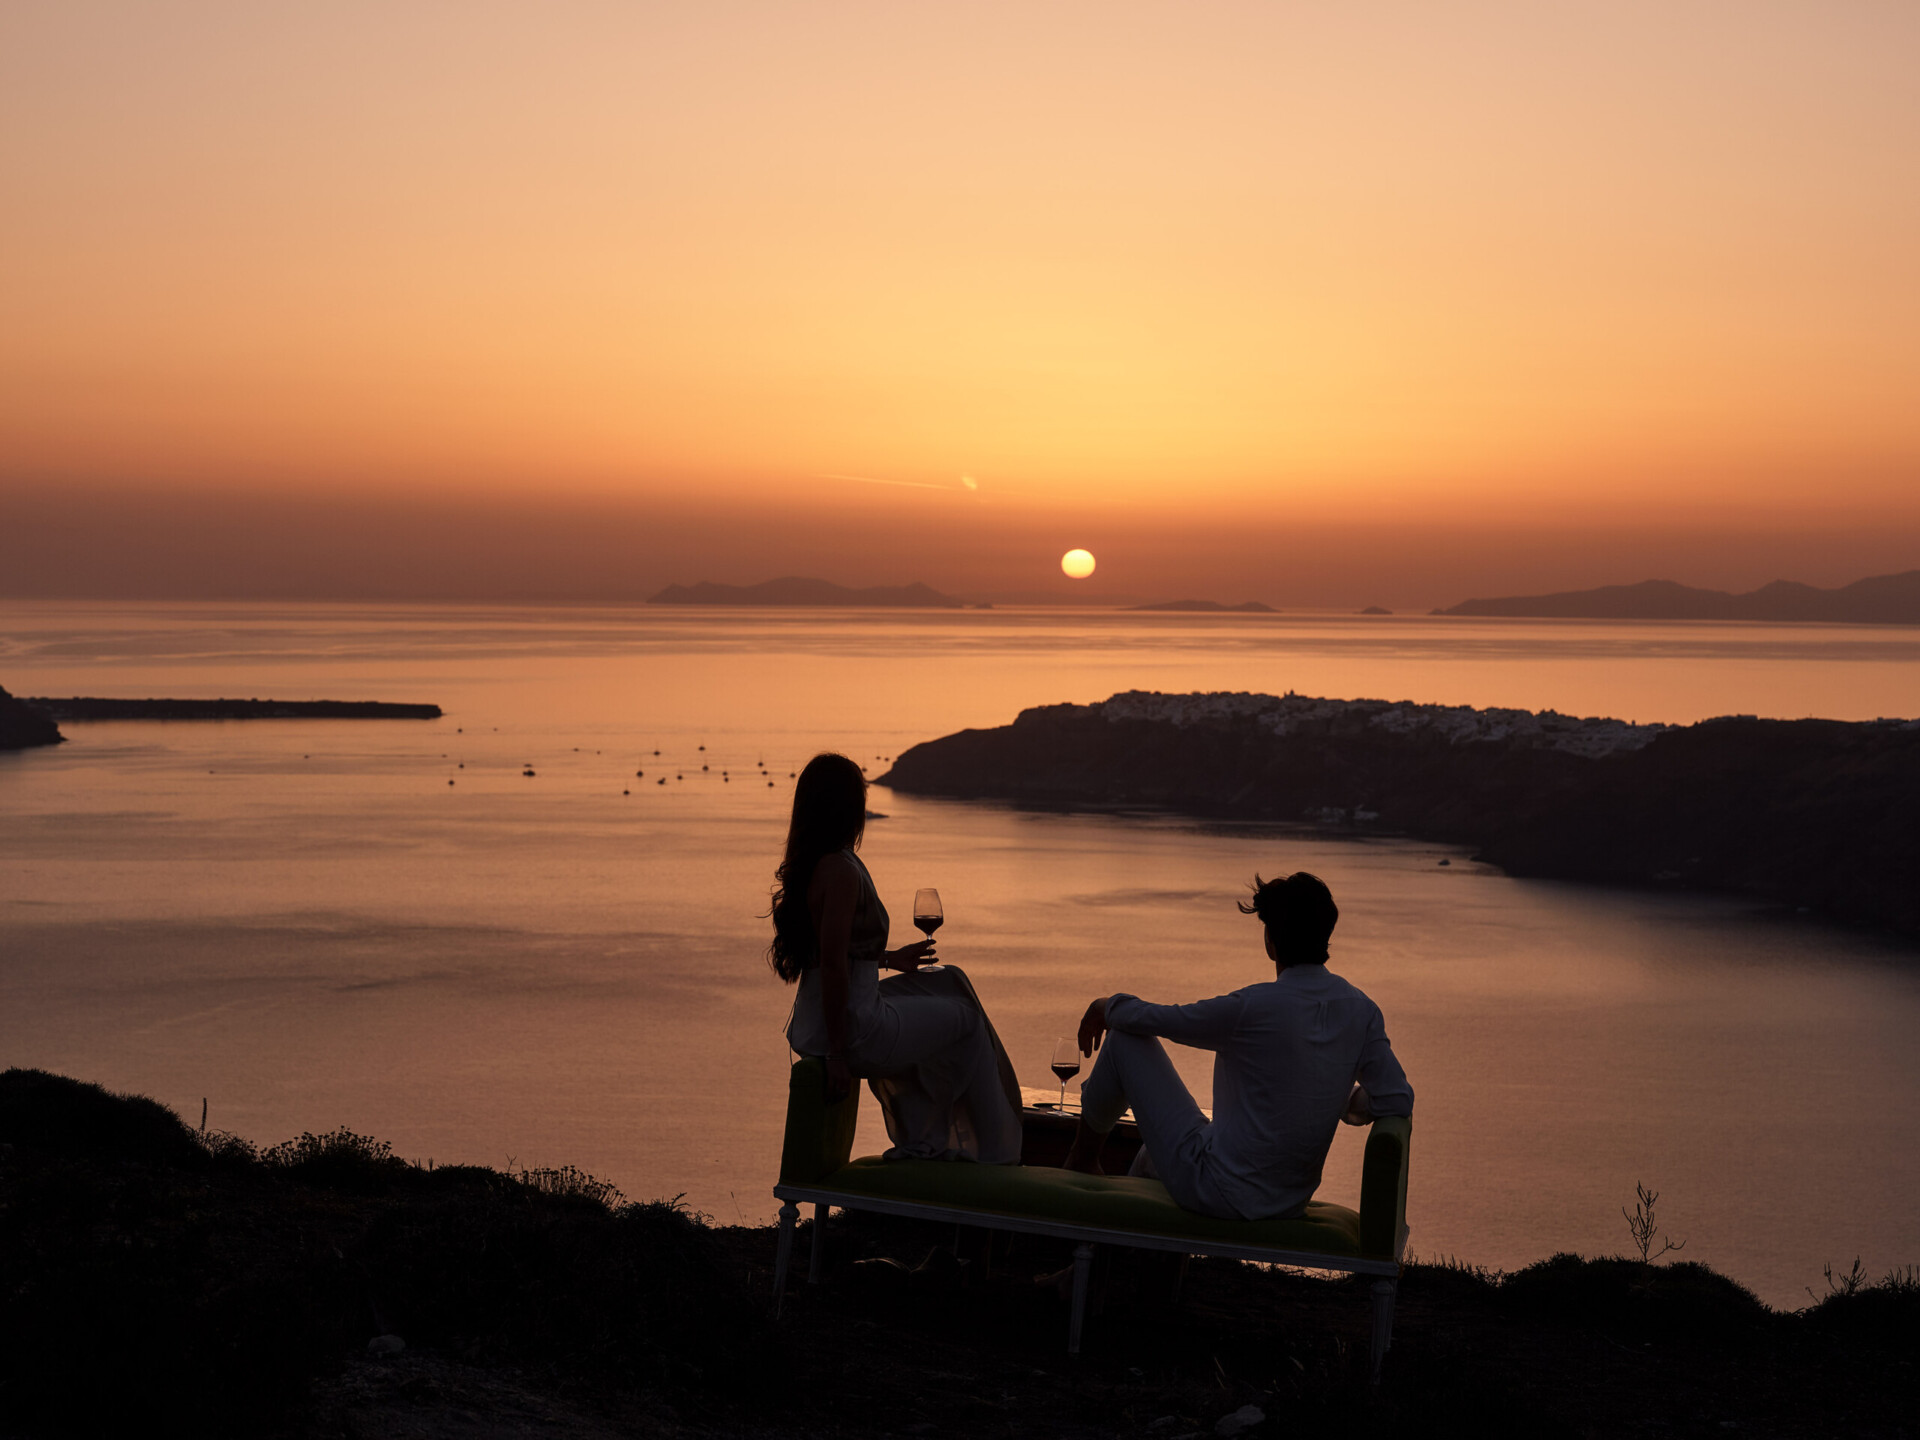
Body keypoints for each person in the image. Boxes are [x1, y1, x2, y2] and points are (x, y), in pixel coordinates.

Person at [1061, 871, 1412, 1220]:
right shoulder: (1361, 1010)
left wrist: (1105, 1005)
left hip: (1218, 1189)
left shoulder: (1252, 1007)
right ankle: (1094, 1264)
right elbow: (1396, 1097)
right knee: (1148, 1159)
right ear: (1326, 936)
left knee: (1124, 1039)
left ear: (1270, 941)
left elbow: (1161, 1019)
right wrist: (1342, 1098)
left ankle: (1083, 1160)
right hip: (1288, 1201)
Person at [770, 752, 1023, 1163]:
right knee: (967, 1021)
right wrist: (837, 1056)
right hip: (853, 1032)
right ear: (848, 806)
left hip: (827, 1022)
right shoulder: (842, 871)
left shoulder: (815, 863)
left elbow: (835, 954)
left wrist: (890, 959)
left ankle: (927, 1138)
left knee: (949, 979)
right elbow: (833, 964)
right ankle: (993, 1154)